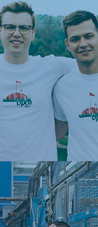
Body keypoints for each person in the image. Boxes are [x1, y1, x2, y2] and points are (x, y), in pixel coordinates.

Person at [0, 1, 75, 161]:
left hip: (41, 165)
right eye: (10, 27)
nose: (17, 33)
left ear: (33, 33)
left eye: (24, 28)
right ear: (0, 31)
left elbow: (91, 66)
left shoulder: (53, 66)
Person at [54, 10, 98, 160]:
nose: (83, 44)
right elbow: (58, 132)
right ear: (68, 44)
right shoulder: (61, 87)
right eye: (75, 39)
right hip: (79, 173)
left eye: (89, 36)